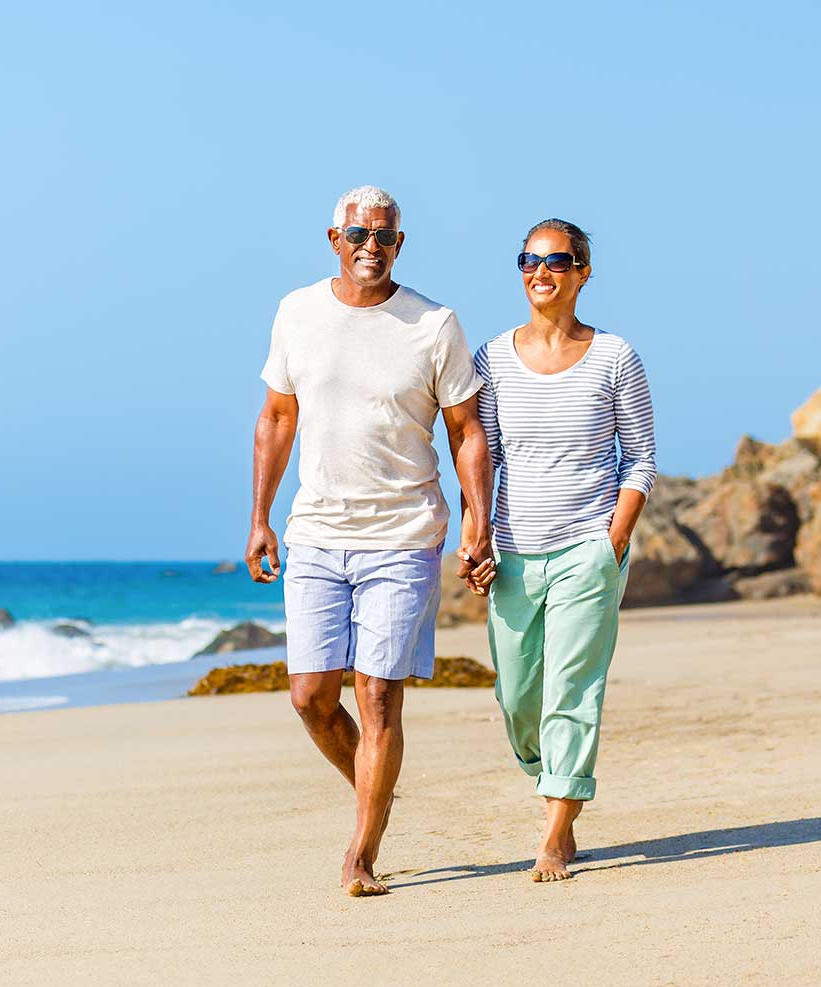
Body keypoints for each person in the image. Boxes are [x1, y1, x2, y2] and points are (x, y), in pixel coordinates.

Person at [247, 186, 494, 897]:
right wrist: (260, 517)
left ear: (399, 244)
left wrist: (478, 519)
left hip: (403, 533)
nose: (370, 248)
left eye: (383, 237)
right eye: (358, 235)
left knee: (378, 695)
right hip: (317, 533)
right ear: (334, 239)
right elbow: (275, 417)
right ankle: (375, 786)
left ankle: (361, 852)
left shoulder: (432, 324)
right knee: (309, 697)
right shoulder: (297, 312)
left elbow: (465, 429)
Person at [463, 218, 656, 882]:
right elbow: (478, 457)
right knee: (518, 697)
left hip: (587, 550)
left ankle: (555, 830)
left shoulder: (615, 357)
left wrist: (615, 537)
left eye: (557, 260)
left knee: (572, 688)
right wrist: (477, 533)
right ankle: (556, 782)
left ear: (583, 272)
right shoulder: (490, 359)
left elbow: (641, 459)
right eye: (529, 260)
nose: (541, 271)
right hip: (514, 551)